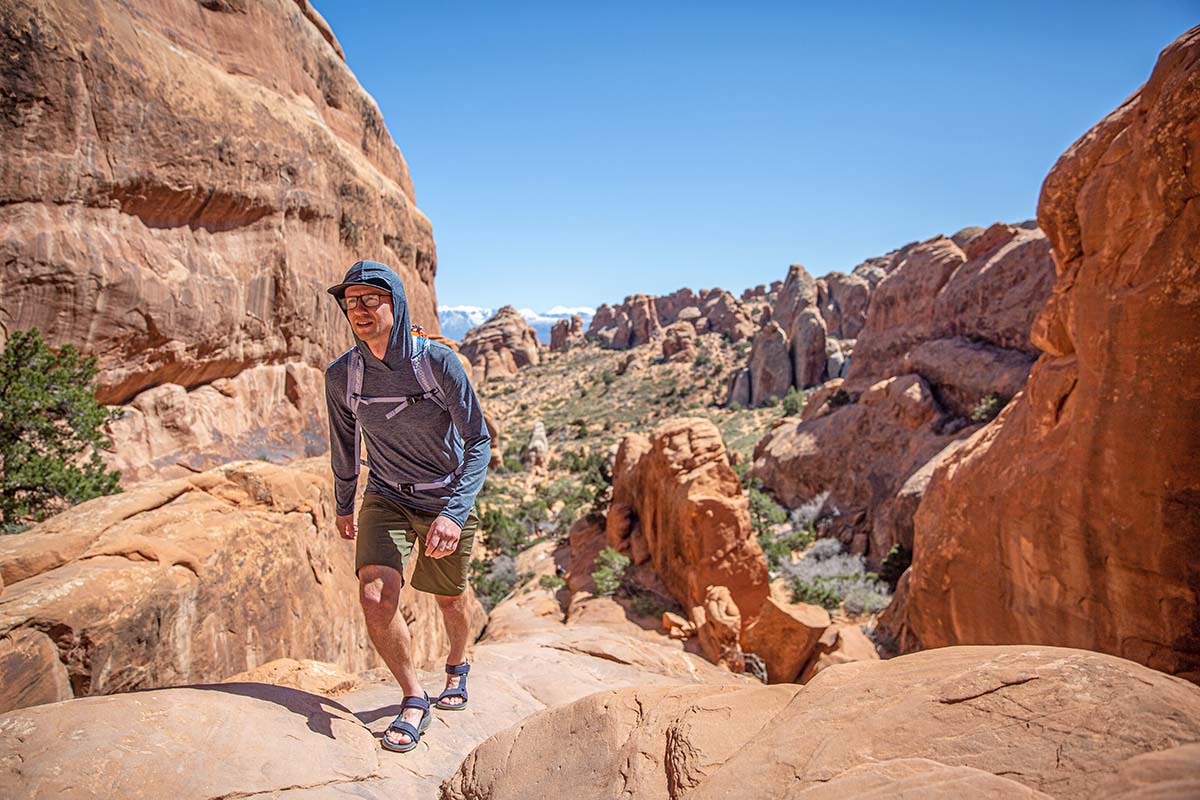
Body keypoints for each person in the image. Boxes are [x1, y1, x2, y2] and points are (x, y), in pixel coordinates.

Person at [323, 260, 490, 753]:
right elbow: (344, 445)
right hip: (387, 494)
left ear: (395, 303)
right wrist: (344, 502)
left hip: (444, 492)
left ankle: (457, 666)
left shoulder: (437, 363)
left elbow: (478, 440)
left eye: (371, 299)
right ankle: (414, 697)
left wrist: (454, 513)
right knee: (375, 596)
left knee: (449, 600)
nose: (359, 309)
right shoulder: (343, 375)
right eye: (351, 301)